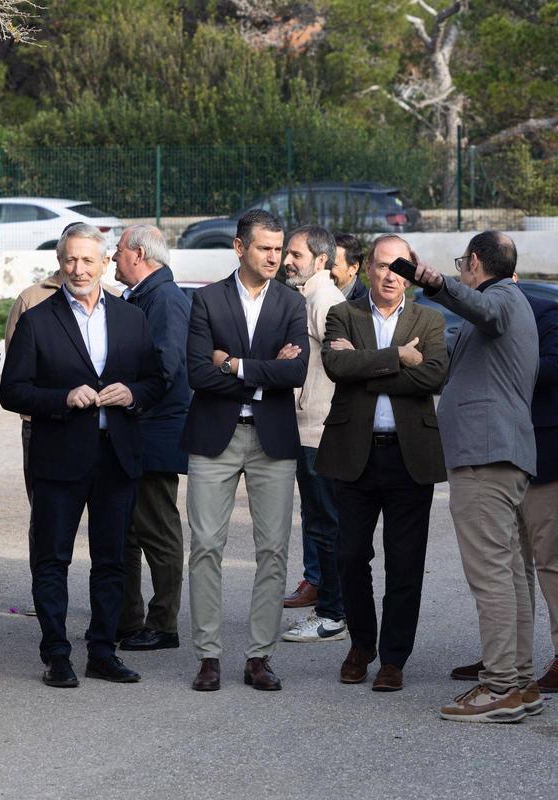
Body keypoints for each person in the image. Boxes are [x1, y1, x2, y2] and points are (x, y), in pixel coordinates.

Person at [0, 223, 164, 688]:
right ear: (59, 261)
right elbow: (12, 391)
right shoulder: (38, 319)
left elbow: (156, 383)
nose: (78, 269)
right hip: (59, 457)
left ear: (105, 263)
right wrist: (61, 398)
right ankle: (56, 653)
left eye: (88, 260)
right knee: (52, 559)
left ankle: (102, 651)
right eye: (70, 259)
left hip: (117, 457)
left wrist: (131, 393)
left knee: (112, 560)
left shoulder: (131, 318)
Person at [413, 231, 540, 723]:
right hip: (497, 456)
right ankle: (521, 681)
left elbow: (483, 310)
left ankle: (501, 686)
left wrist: (435, 282)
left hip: (486, 459)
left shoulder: (502, 297)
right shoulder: (508, 303)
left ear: (475, 264)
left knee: (492, 577)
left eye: (461, 265)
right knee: (508, 575)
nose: (461, 271)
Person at [182, 209, 309, 692]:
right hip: (215, 436)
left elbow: (295, 374)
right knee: (206, 547)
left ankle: (259, 656)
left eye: (279, 249)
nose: (275, 257)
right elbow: (197, 373)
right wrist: (263, 370)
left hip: (272, 439)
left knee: (273, 550)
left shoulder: (291, 305)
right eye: (265, 248)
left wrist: (232, 364)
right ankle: (208, 656)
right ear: (240, 248)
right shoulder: (207, 300)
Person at [316, 235, 448, 691]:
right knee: (350, 556)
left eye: (401, 267)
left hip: (410, 456)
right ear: (366, 268)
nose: (391, 275)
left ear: (412, 272)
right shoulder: (343, 314)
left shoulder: (428, 319)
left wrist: (368, 368)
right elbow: (337, 367)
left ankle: (393, 658)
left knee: (405, 562)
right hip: (354, 453)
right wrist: (398, 358)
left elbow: (434, 375)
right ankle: (361, 645)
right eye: (382, 266)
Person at [450, 277, 558, 692]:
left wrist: (508, 361)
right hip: (497, 450)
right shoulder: (473, 319)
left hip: (543, 451)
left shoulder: (544, 310)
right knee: (507, 561)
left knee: (548, 556)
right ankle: (507, 656)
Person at [111, 224, 192, 652]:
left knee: (157, 531)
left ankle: (163, 624)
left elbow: (167, 365)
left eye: (118, 251)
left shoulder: (164, 298)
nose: (113, 259)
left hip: (154, 432)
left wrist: (127, 393)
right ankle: (128, 619)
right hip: (136, 430)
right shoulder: (144, 295)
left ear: (139, 254)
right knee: (127, 530)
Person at [279, 225, 349, 644]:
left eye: (297, 254)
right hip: (309, 430)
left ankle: (332, 616)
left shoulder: (325, 301)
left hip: (319, 432)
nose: (288, 260)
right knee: (322, 523)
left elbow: (345, 359)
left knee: (327, 527)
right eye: (288, 253)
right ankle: (332, 609)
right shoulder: (309, 297)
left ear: (321, 261)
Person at [331, 233, 368, 303]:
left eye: (332, 265)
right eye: (325, 263)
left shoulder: (363, 306)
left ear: (353, 268)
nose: (325, 270)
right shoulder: (316, 294)